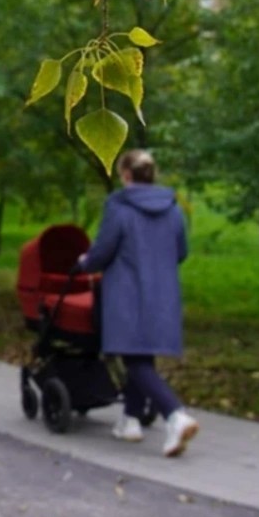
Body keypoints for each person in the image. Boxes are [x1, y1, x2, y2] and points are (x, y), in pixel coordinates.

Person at [78, 149, 199, 457]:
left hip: (128, 292)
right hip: (162, 293)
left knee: (133, 359)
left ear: (127, 176)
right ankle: (130, 421)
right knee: (141, 355)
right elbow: (181, 252)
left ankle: (175, 415)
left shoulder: (119, 207)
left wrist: (85, 262)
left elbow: (103, 250)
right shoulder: (173, 209)